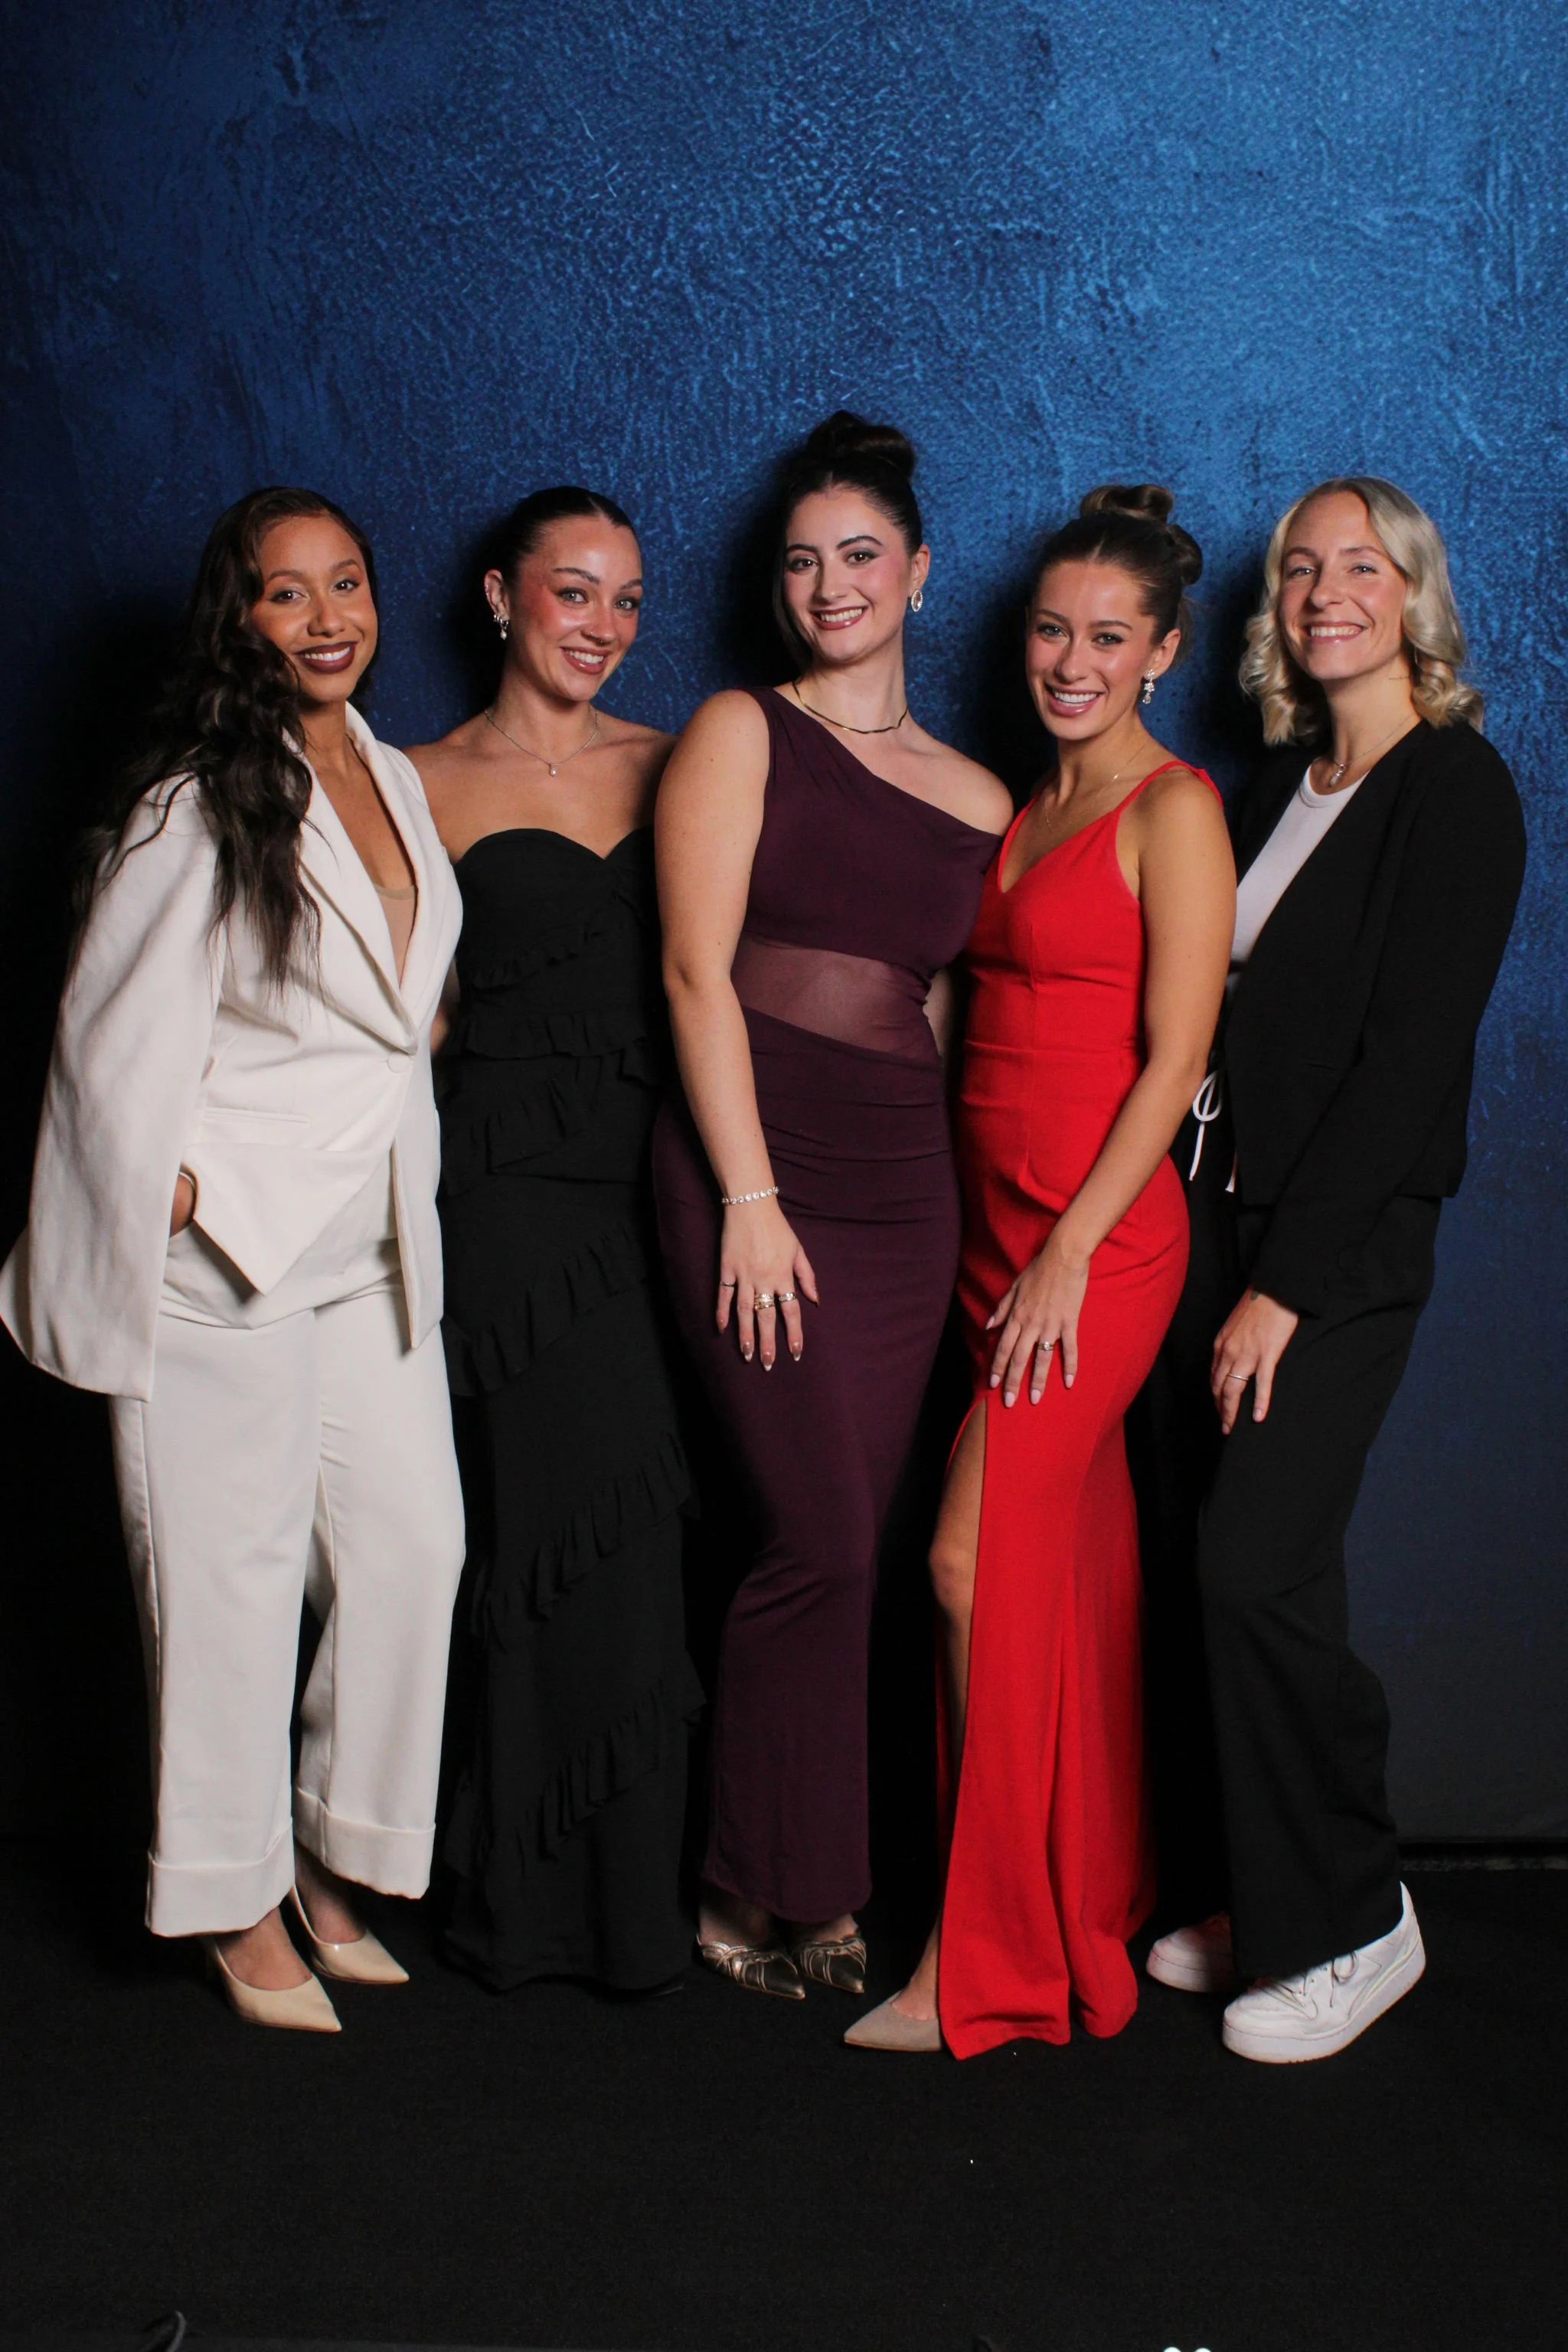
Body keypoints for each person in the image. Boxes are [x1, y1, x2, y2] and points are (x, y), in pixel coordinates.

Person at [0, 488, 466, 2031]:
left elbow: (388, 990)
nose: (328, 617)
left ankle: (331, 1857)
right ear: (238, 620)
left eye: (348, 582)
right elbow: (102, 1037)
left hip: (375, 1244)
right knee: (230, 1590)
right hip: (229, 1261)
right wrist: (177, 1190)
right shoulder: (193, 802)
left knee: (414, 1552)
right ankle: (233, 1902)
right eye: (287, 593)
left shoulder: (391, 772)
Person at [1138, 477, 1525, 2063]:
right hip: (1209, 1216)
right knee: (1205, 1565)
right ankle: (1257, 1890)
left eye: (1361, 566)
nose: (1326, 592)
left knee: (1256, 1566)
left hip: (1335, 1245)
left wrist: (1282, 1287)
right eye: (1302, 569)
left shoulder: (1456, 791)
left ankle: (1356, 1920)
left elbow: (1406, 1064)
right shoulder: (1273, 790)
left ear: (1413, 595)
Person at [846, 485, 1234, 2055]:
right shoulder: (1025, 805)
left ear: (1163, 652)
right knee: (1063, 1579)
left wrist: (1071, 1252)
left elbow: (1178, 1053)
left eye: (1108, 638)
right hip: (988, 1230)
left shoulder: (1173, 809)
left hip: (1096, 1243)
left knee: (966, 1565)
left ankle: (981, 1960)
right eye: (1052, 631)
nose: (1073, 662)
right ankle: (1080, 1914)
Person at [653, 412, 1011, 1998]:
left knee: (858, 1542)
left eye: (860, 555)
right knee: (817, 1537)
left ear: (920, 573)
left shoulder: (983, 796)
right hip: (751, 1168)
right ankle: (756, 1886)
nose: (829, 585)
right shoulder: (741, 729)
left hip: (899, 1196)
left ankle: (816, 1883)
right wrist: (746, 1193)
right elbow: (692, 971)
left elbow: (945, 1012)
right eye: (801, 562)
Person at [410, 488, 701, 1993]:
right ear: (499, 595)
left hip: (660, 1186)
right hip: (509, 1202)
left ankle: (632, 1905)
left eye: (628, 599)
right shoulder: (414, 778)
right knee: (530, 1534)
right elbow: (404, 1016)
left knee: (642, 1545)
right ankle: (523, 1908)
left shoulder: (678, 760)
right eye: (574, 590)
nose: (604, 624)